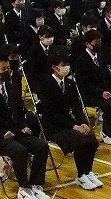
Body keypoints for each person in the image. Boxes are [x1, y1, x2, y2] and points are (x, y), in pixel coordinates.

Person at [0, 54, 51, 199]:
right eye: (3, 69)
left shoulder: (11, 87)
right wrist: (0, 132)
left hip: (15, 132)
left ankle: (35, 184)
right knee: (20, 151)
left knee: (42, 146)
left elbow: (19, 111)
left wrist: (23, 125)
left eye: (8, 68)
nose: (7, 72)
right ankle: (24, 189)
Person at [34, 53, 103, 187]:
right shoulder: (46, 85)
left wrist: (83, 122)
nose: (67, 67)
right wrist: (74, 126)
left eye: (68, 65)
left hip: (68, 121)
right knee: (80, 140)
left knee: (90, 137)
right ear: (54, 67)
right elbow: (51, 112)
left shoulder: (70, 83)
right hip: (52, 124)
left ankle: (87, 171)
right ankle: (81, 175)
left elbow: (77, 106)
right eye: (63, 65)